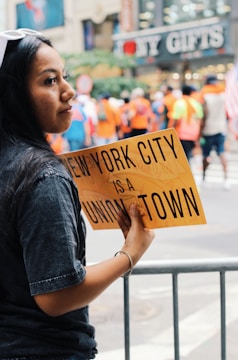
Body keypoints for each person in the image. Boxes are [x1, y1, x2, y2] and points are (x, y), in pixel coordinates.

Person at [0, 28, 154, 359]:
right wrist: (130, 254)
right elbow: (57, 296)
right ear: (12, 95)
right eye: (49, 81)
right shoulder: (42, 176)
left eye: (64, 77)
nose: (69, 92)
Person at [199, 74, 230, 189]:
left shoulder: (204, 94)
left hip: (208, 129)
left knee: (206, 155)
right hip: (221, 127)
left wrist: (200, 130)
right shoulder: (223, 93)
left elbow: (204, 114)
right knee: (221, 153)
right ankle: (226, 179)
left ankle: (203, 178)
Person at [172, 85, 204, 161]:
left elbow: (176, 120)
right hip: (193, 134)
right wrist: (199, 134)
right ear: (191, 93)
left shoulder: (179, 103)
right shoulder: (196, 104)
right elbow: (200, 120)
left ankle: (186, 172)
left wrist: (170, 132)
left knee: (182, 157)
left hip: (182, 134)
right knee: (187, 155)